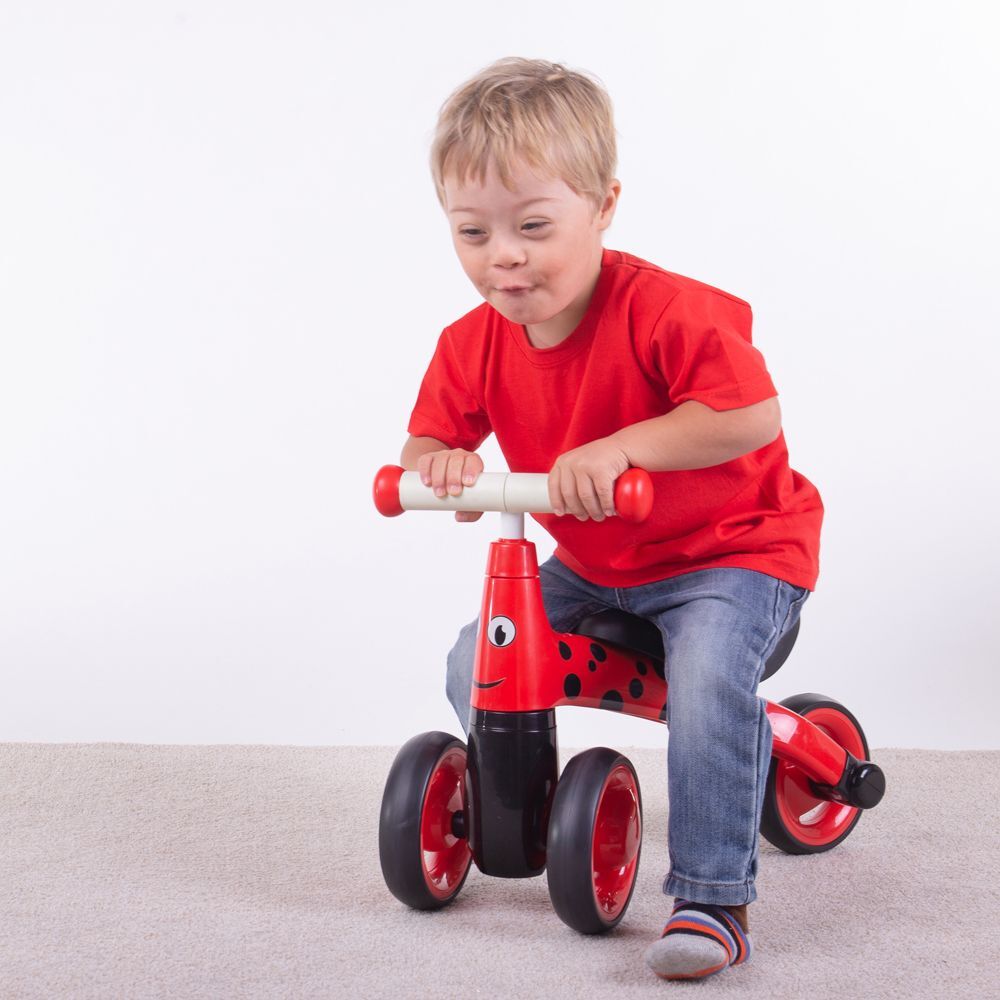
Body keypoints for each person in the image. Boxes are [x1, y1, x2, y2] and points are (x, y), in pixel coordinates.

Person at [399, 56, 823, 982]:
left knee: (705, 680)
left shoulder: (666, 312)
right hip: (599, 566)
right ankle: (530, 810)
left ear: (603, 207)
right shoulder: (471, 344)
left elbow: (751, 417)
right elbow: (427, 439)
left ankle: (713, 897)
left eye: (533, 226)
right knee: (476, 659)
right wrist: (439, 466)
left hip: (734, 554)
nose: (503, 255)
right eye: (472, 231)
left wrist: (625, 448)